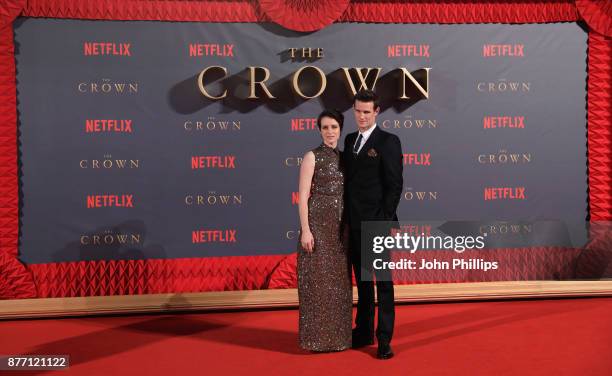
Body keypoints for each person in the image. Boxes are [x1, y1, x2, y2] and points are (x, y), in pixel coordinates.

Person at [343, 89, 403, 360]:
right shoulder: (349, 139)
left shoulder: (388, 141)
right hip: (353, 224)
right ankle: (364, 330)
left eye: (367, 111)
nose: (362, 116)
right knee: (363, 282)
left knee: (383, 283)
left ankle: (384, 339)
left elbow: (394, 184)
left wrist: (383, 220)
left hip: (376, 223)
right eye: (358, 111)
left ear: (377, 112)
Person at [297, 108, 352, 352]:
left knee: (339, 285)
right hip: (318, 224)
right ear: (319, 130)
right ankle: (315, 340)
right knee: (317, 283)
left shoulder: (346, 157)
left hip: (342, 227)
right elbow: (302, 197)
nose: (330, 132)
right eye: (325, 127)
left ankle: (339, 339)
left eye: (334, 127)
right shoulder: (312, 156)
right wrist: (306, 230)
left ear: (340, 129)